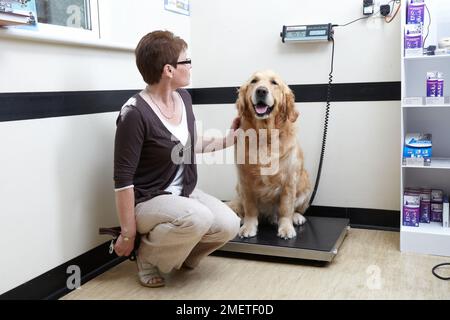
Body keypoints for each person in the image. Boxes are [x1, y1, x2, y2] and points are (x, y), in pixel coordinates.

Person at [113, 30, 241, 288]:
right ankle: (147, 257)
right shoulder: (134, 113)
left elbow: (191, 143)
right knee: (198, 217)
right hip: (148, 200)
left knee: (229, 223)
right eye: (186, 61)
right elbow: (123, 181)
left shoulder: (183, 98)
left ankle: (180, 258)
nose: (190, 66)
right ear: (169, 70)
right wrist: (127, 234)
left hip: (183, 194)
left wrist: (230, 138)